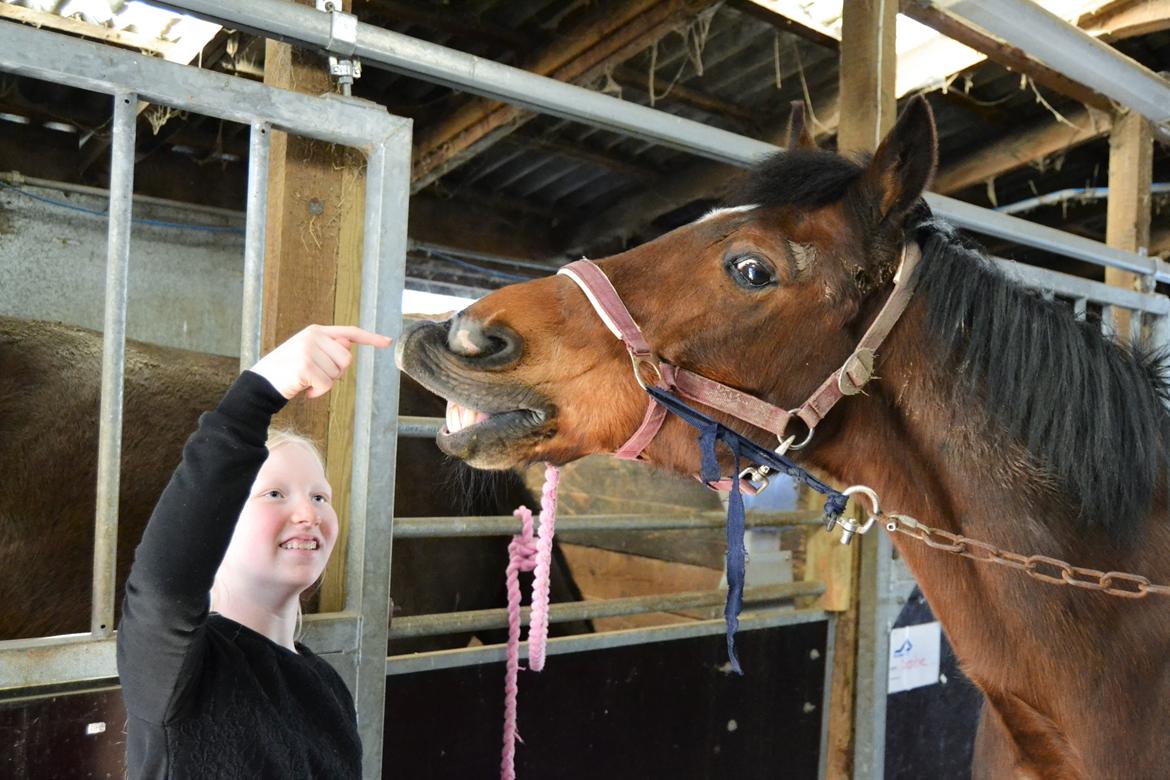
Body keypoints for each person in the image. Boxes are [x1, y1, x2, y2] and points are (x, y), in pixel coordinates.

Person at [117, 324, 392, 779]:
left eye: (319, 497)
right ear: (218, 520)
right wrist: (260, 390)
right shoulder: (179, 666)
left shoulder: (326, 685)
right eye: (275, 495)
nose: (308, 513)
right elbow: (163, 589)